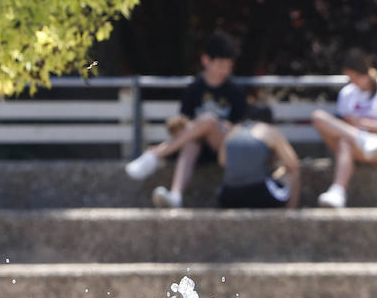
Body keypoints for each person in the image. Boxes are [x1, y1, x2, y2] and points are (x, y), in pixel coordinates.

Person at [124, 31, 247, 209]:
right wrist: (198, 127)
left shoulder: (235, 91)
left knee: (208, 120)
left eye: (228, 66)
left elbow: (240, 129)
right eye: (220, 65)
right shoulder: (194, 89)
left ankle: (155, 154)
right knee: (192, 139)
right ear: (206, 60)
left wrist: (211, 125)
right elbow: (185, 125)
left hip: (225, 148)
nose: (225, 71)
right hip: (197, 149)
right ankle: (176, 195)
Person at [310, 49, 377, 208]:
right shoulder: (347, 93)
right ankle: (359, 139)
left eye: (355, 77)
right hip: (353, 143)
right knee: (319, 118)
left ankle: (338, 189)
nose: (352, 81)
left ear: (364, 73)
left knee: (346, 141)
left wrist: (361, 122)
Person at [215, 119, 301, 210]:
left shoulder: (232, 132)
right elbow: (293, 164)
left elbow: (222, 162)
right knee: (293, 173)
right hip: (260, 196)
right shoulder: (269, 130)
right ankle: (290, 215)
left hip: (228, 196)